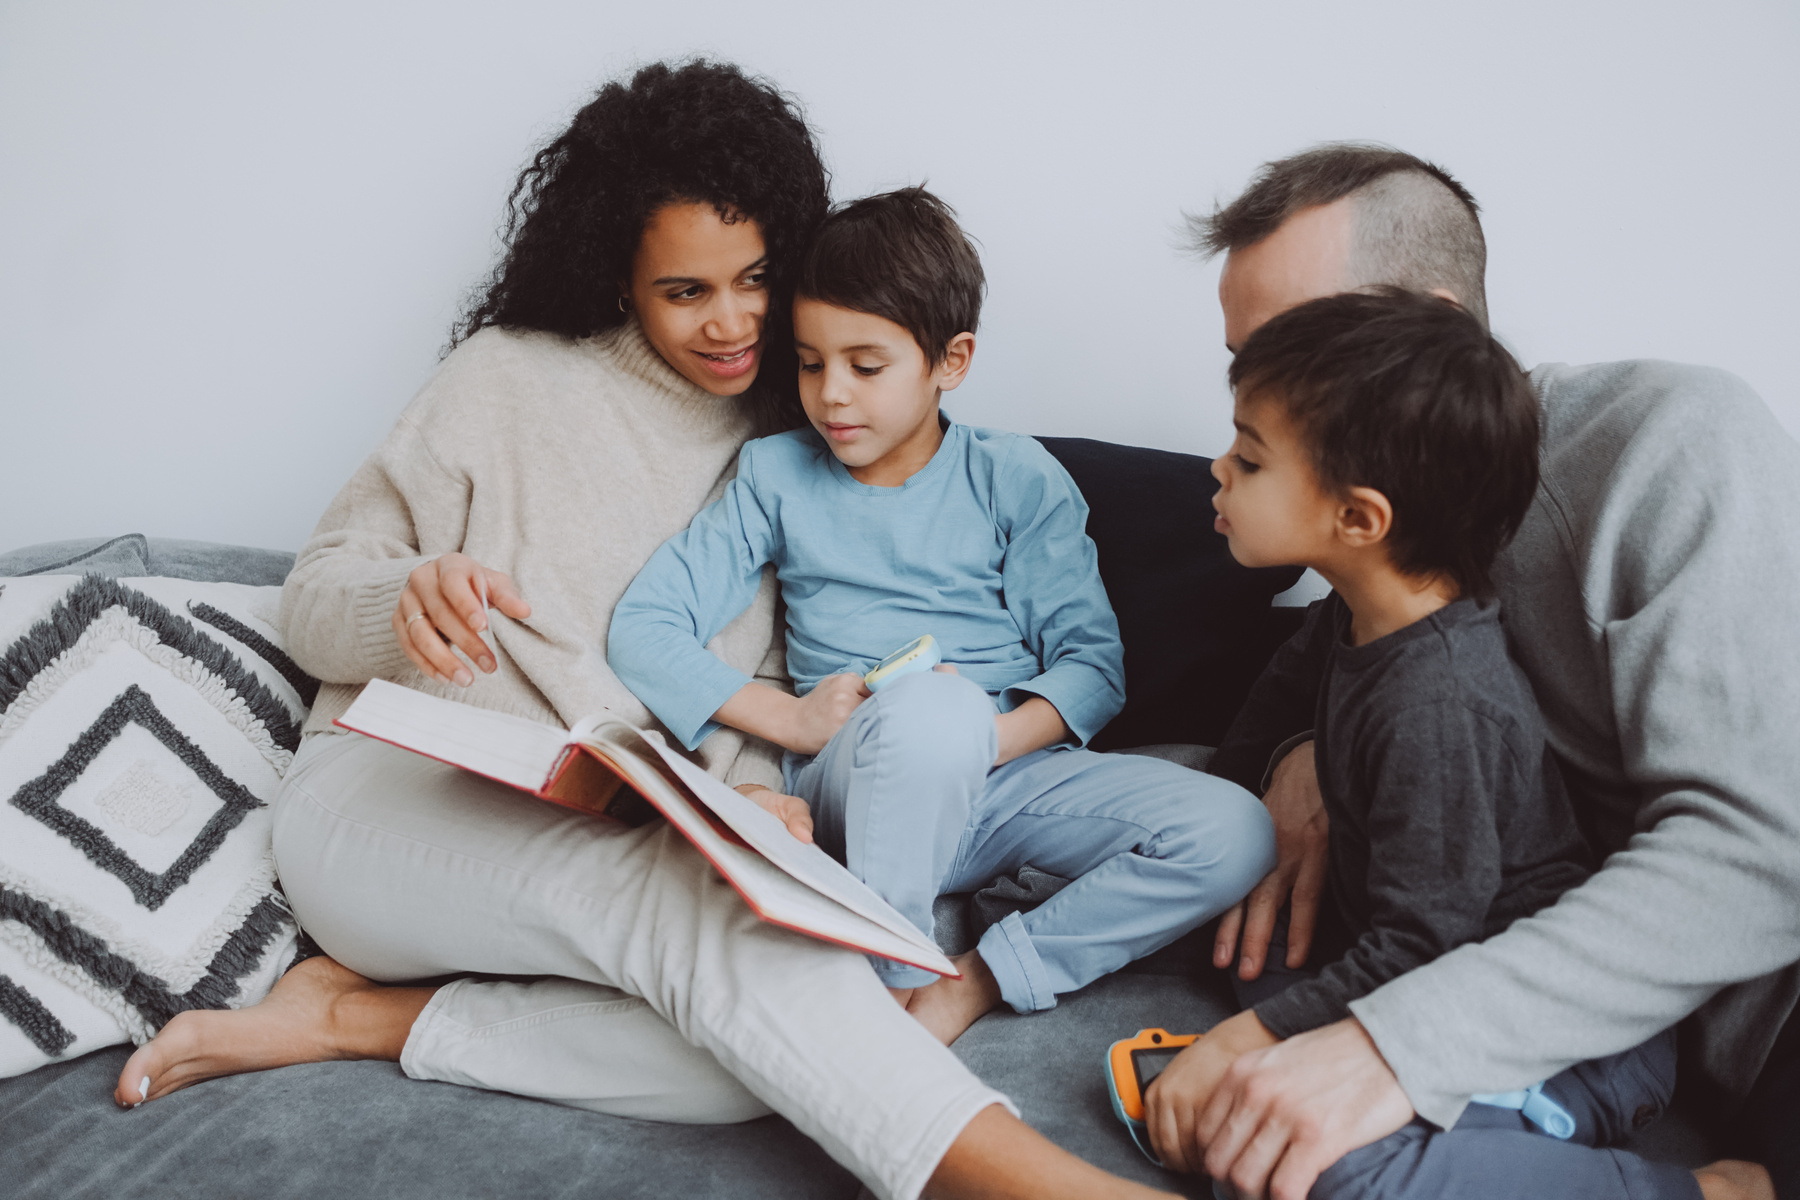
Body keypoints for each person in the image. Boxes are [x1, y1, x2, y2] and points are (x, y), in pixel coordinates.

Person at [108, 61, 1175, 1200]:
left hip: (620, 823)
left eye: (757, 278)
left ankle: (359, 1018)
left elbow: (777, 681)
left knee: (758, 1053)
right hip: (390, 807)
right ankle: (1032, 1181)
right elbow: (315, 596)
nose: (732, 323)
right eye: (685, 292)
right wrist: (403, 597)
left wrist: (759, 790)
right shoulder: (503, 381)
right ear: (621, 279)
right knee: (703, 943)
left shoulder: (807, 436)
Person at [1180, 143, 1799, 1200]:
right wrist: (1310, 753)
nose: (1258, 400)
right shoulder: (1389, 544)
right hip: (1558, 980)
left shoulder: (1680, 439)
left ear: (1430, 323)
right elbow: (1272, 709)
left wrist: (1389, 1045)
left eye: (1296, 345)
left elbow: (1758, 854)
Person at [607, 187, 1276, 1042]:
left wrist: (978, 743)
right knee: (930, 713)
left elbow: (1090, 668)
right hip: (856, 776)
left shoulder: (1015, 478)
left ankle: (977, 981)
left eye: (866, 365)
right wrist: (791, 720)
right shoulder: (775, 475)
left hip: (1003, 776)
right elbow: (645, 629)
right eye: (811, 363)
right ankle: (884, 998)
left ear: (949, 361)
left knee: (1236, 831)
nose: (832, 397)